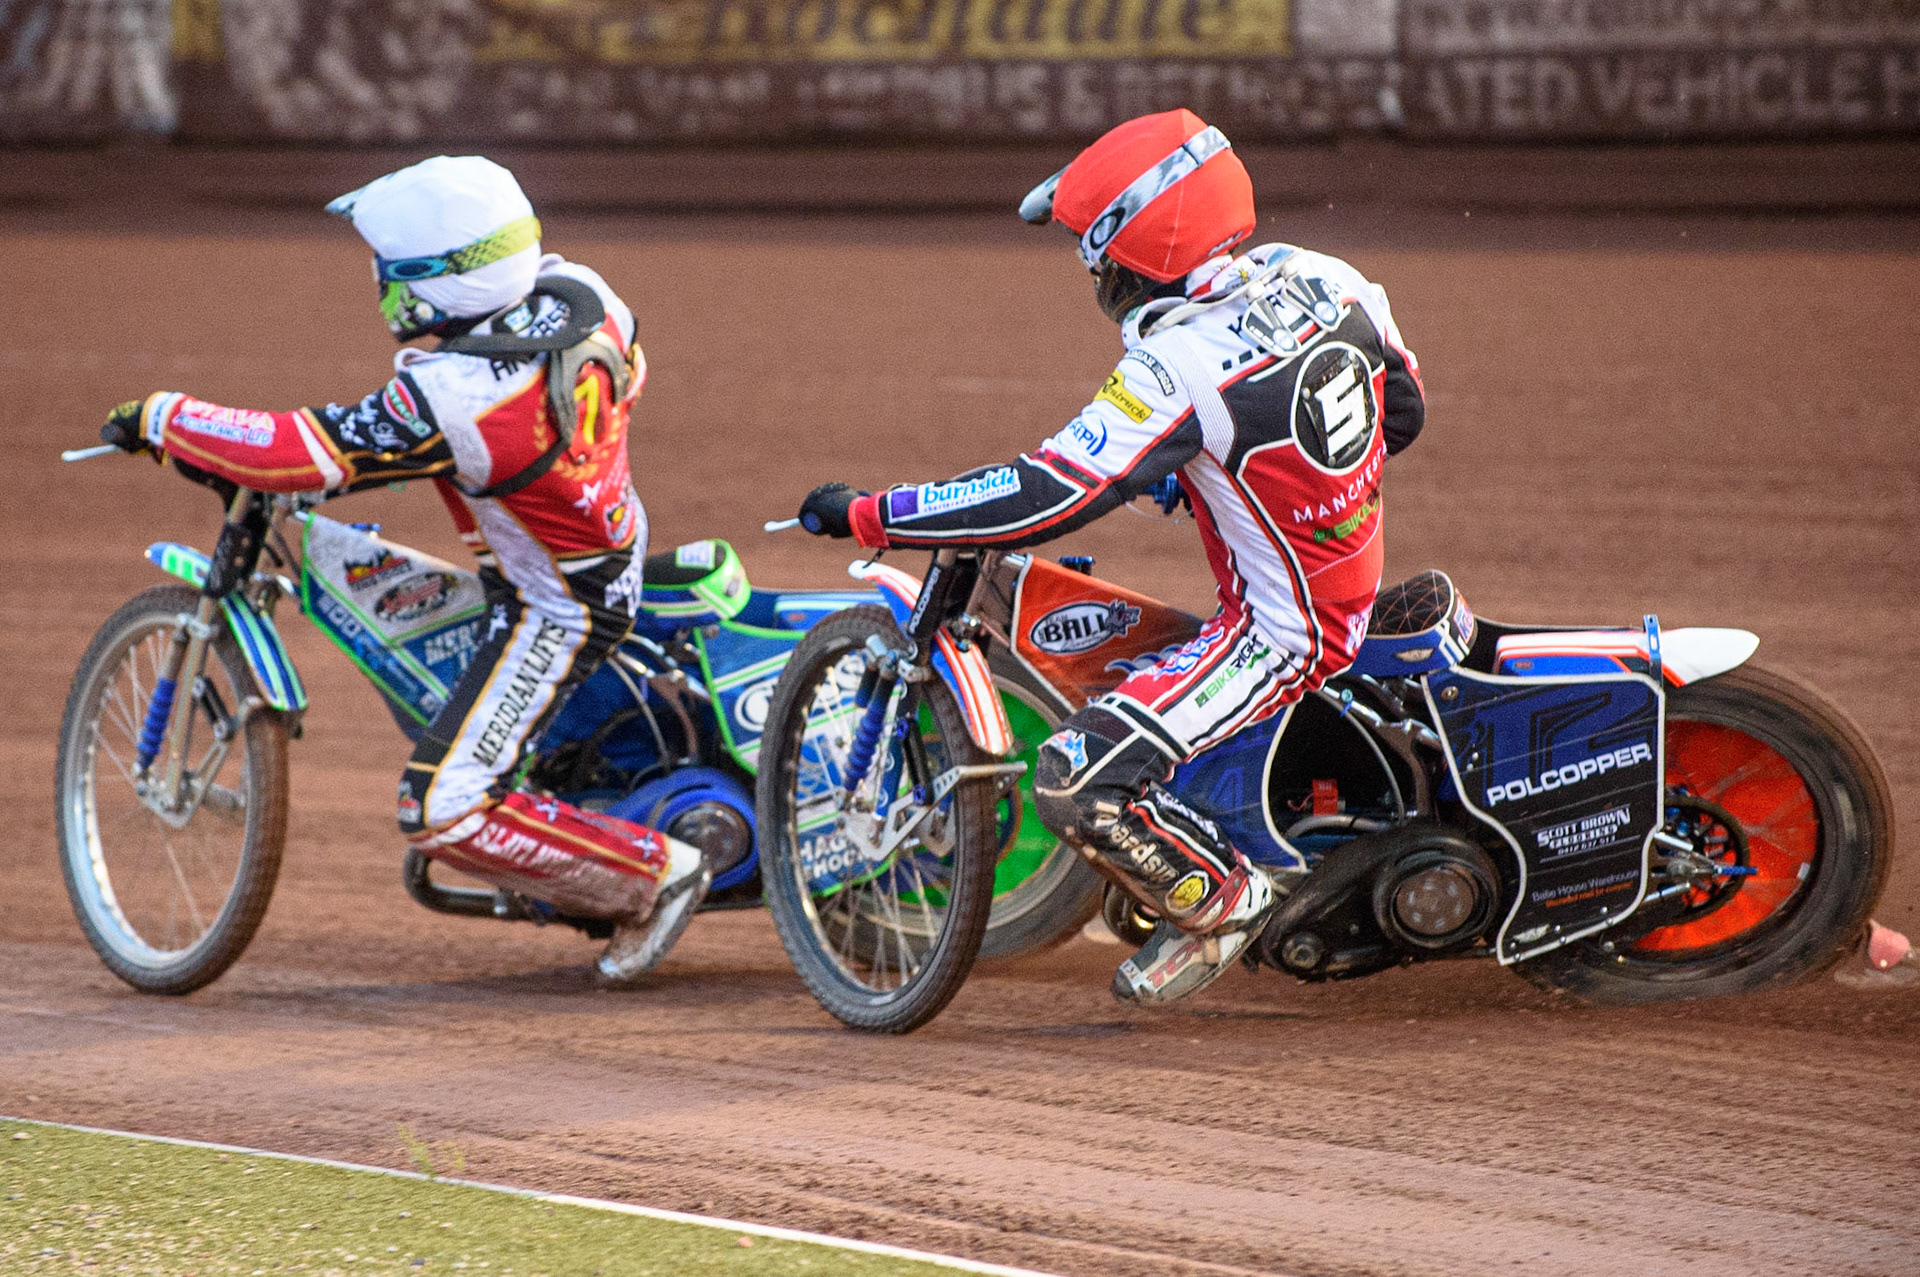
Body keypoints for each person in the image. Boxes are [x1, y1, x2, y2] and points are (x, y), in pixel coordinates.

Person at [794, 110, 1425, 1006]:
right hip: (1337, 578)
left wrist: (871, 512)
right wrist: (1232, 469)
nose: (1095, 278)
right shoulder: (1326, 277)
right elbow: (1400, 412)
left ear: (1136, 253)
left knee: (1074, 778)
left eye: (1097, 258)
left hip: (1284, 633)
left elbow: (1043, 494)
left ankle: (1228, 901)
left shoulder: (1179, 366)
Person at [98, 155, 709, 981]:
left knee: (441, 805)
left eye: (391, 268)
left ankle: (652, 875)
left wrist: (163, 416)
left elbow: (299, 452)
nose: (381, 281)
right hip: (603, 536)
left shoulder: (455, 399)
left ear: (439, 281)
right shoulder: (588, 296)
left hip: (554, 603)